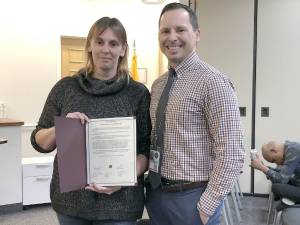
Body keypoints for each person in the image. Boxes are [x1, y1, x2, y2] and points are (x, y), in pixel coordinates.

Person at [31, 17, 151, 225]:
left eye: (113, 44)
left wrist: (122, 179)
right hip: (72, 202)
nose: (106, 49)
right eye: (100, 42)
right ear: (89, 46)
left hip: (120, 204)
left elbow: (146, 151)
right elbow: (38, 141)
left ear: (123, 49)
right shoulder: (65, 88)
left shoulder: (138, 93)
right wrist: (62, 127)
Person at [145, 3, 245, 225]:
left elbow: (232, 153)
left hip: (192, 198)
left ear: (197, 34)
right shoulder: (158, 85)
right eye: (165, 31)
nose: (172, 37)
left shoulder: (213, 82)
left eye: (180, 30)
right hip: (157, 194)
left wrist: (207, 205)